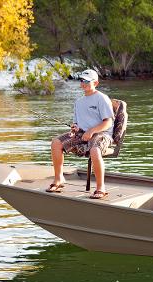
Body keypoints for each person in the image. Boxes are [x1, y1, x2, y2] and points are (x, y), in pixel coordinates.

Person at [47, 69, 114, 199]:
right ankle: (59, 179)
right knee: (56, 143)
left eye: (86, 81)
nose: (83, 83)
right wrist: (75, 128)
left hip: (102, 133)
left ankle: (101, 187)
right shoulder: (79, 102)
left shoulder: (102, 98)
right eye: (81, 80)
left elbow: (108, 123)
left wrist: (91, 131)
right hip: (82, 134)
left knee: (95, 150)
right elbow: (77, 124)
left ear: (96, 83)